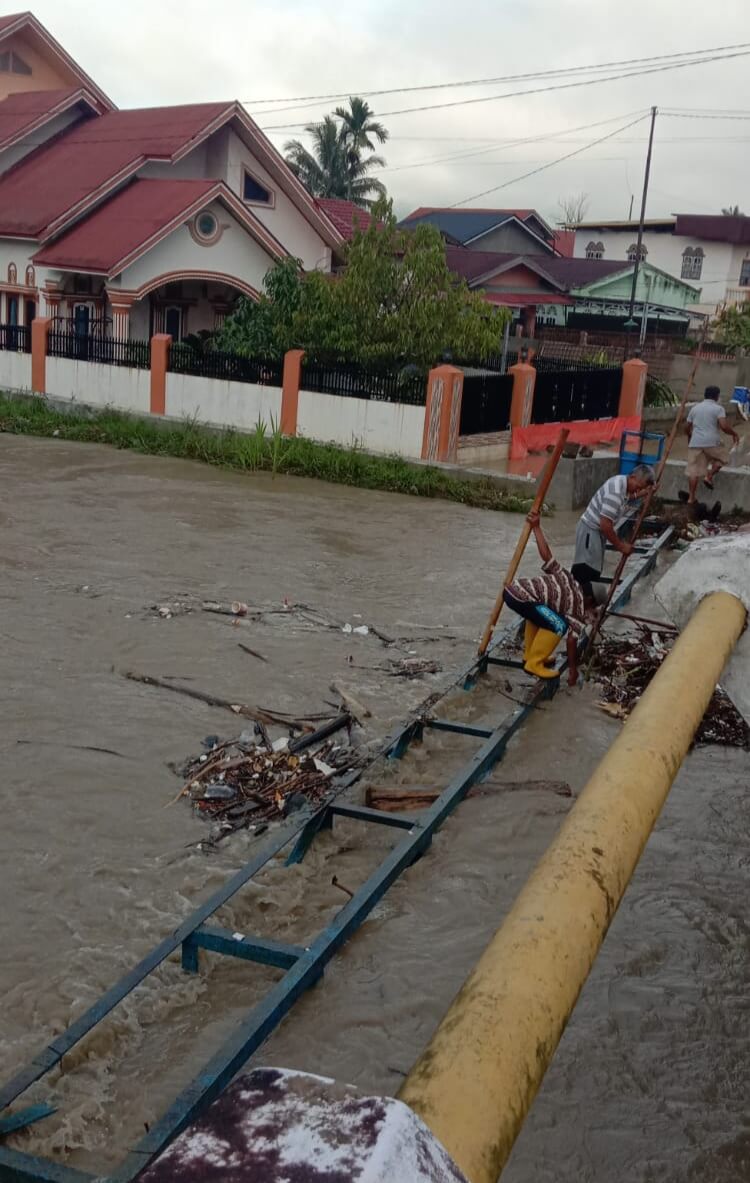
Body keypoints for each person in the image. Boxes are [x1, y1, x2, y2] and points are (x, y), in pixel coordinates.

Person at [504, 511, 599, 686]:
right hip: (525, 598)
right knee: (558, 624)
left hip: (513, 590)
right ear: (590, 600)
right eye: (593, 608)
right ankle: (534, 663)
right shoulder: (578, 609)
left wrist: (536, 527)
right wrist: (572, 669)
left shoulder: (568, 577)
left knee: (542, 616)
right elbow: (571, 641)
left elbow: (546, 555)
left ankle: (529, 655)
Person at [571, 464, 656, 586]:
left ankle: (586, 599)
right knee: (586, 570)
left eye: (640, 488)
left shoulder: (624, 483)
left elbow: (629, 497)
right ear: (632, 477)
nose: (637, 490)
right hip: (590, 530)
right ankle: (578, 598)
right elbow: (605, 525)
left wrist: (645, 492)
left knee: (595, 569)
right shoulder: (615, 491)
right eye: (638, 487)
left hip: (597, 532)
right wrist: (621, 546)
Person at [685, 385, 739, 503]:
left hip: (695, 442)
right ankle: (709, 475)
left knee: (693, 471)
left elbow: (687, 427)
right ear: (717, 396)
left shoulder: (695, 408)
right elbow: (724, 426)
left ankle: (691, 498)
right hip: (712, 442)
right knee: (724, 457)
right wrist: (734, 433)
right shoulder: (718, 409)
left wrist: (690, 437)